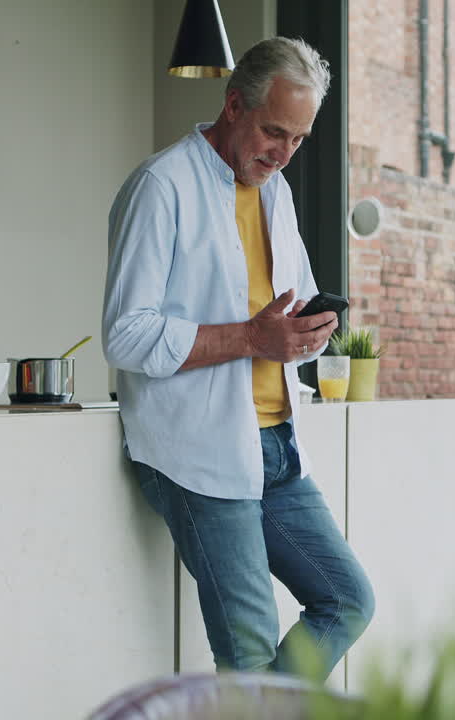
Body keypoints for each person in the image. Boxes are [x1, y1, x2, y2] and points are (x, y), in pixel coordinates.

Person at [102, 36, 374, 676]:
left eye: (299, 140)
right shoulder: (160, 186)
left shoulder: (273, 193)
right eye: (273, 132)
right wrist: (253, 339)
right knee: (248, 652)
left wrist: (307, 330)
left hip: (277, 446)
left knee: (346, 600)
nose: (283, 155)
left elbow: (285, 305)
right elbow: (127, 334)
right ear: (233, 106)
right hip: (198, 453)